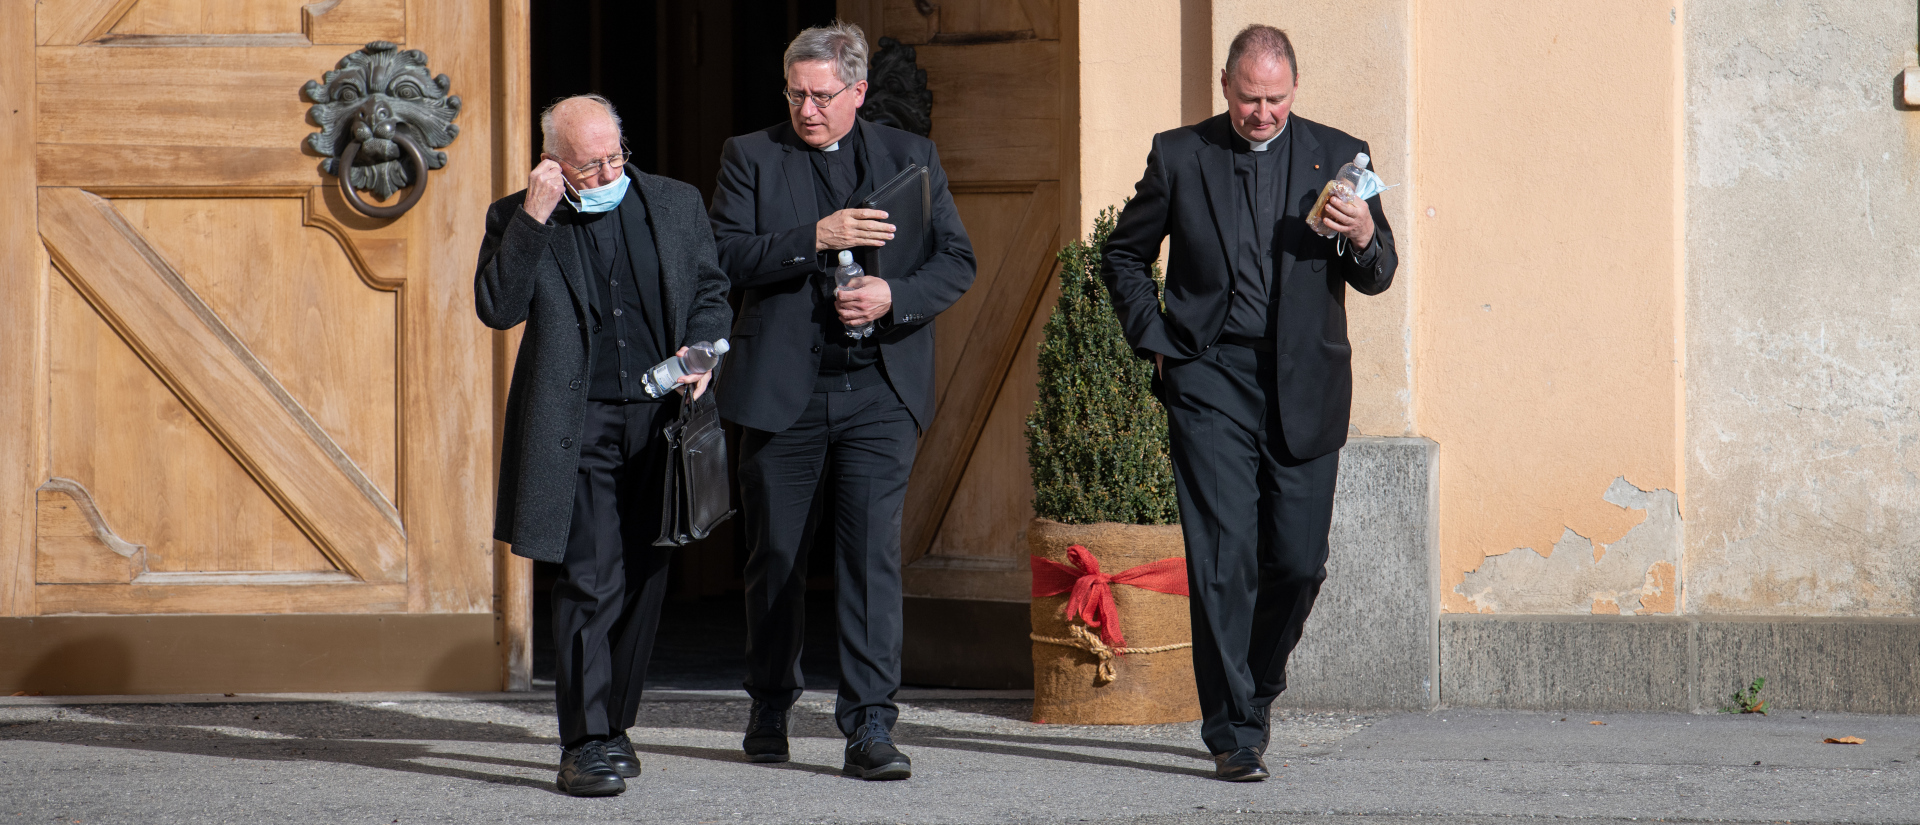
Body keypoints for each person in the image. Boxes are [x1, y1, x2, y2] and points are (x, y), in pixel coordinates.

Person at [1101, 25, 1398, 782]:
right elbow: (1124, 254)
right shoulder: (1179, 154)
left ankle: (1258, 687)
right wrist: (1157, 338)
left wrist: (1362, 230)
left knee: (1299, 563)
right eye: (1248, 98)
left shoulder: (1340, 155)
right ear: (1225, 87)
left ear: (1293, 91)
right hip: (1208, 376)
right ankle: (1232, 728)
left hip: (1305, 381)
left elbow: (1378, 271)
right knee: (1223, 559)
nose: (1262, 113)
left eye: (1275, 99)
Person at [708, 20, 975, 781]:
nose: (808, 110)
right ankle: (769, 703)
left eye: (823, 95)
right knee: (778, 560)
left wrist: (895, 294)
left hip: (878, 391)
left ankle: (870, 726)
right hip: (782, 391)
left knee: (868, 559)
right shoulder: (750, 157)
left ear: (857, 91)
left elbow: (959, 259)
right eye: (796, 94)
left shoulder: (909, 155)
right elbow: (722, 253)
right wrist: (813, 237)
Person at [474, 94, 732, 797]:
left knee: (649, 575)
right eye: (591, 165)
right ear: (554, 163)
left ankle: (614, 726)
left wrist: (705, 350)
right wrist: (533, 216)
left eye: (616, 155)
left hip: (662, 420)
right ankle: (584, 741)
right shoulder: (517, 216)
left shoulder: (674, 203)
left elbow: (711, 289)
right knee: (592, 577)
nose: (609, 171)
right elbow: (498, 307)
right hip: (577, 425)